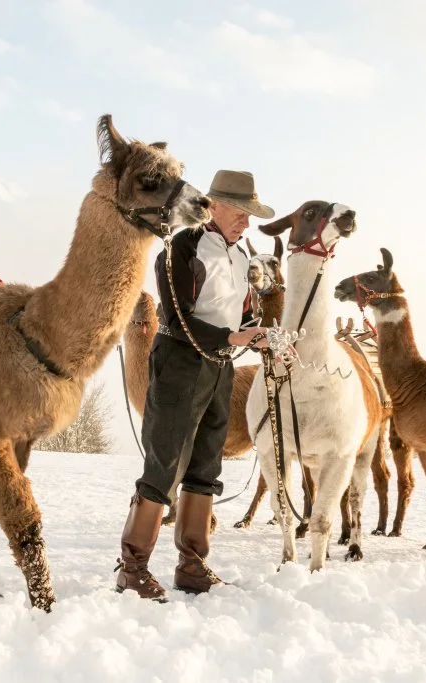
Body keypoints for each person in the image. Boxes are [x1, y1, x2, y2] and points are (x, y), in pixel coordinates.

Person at [115, 170, 274, 601]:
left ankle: (192, 564)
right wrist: (230, 337)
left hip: (219, 367)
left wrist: (256, 336)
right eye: (240, 212)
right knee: (165, 461)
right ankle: (131, 568)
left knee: (206, 465)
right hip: (180, 362)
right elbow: (179, 318)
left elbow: (235, 317)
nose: (246, 222)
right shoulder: (179, 248)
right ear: (213, 206)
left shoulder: (241, 256)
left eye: (250, 215)